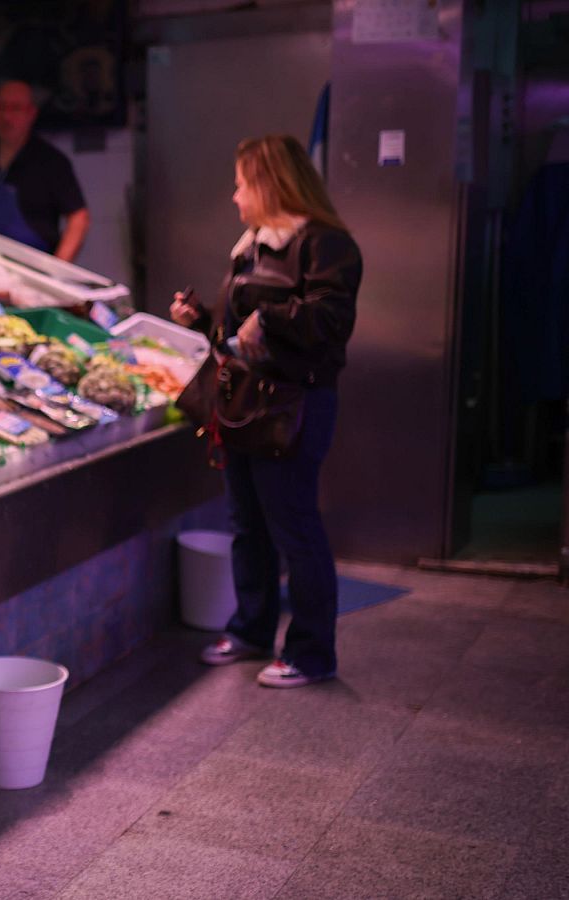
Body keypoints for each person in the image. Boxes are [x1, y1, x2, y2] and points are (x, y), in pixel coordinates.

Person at [171, 134, 362, 688]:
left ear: (269, 184)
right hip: (241, 405)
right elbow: (238, 334)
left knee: (295, 529)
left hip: (293, 407)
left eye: (240, 184)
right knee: (246, 526)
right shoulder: (251, 243)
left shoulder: (327, 244)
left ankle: (310, 653)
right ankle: (251, 629)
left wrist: (267, 316)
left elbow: (327, 323)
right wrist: (203, 319)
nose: (234, 197)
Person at [0, 80, 90, 260]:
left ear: (31, 113)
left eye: (15, 108)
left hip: (31, 269)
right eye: (1, 107)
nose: (6, 117)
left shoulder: (52, 161)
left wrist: (58, 272)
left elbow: (79, 218)